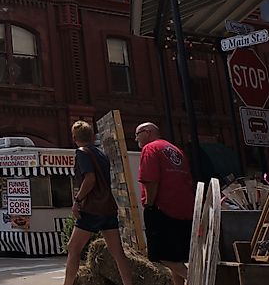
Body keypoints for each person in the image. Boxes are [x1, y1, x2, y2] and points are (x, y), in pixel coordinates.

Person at [63, 121, 133, 285]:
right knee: (118, 253)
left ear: (74, 137)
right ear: (92, 136)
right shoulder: (102, 154)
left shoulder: (82, 153)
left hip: (91, 208)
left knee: (73, 248)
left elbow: (90, 178)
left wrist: (77, 200)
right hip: (108, 207)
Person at [135, 122, 193, 285]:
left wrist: (150, 205)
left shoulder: (150, 149)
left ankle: (197, 279)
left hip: (163, 208)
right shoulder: (176, 150)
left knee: (161, 255)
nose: (136, 139)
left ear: (147, 132)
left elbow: (150, 180)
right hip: (184, 208)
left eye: (137, 134)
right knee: (175, 255)